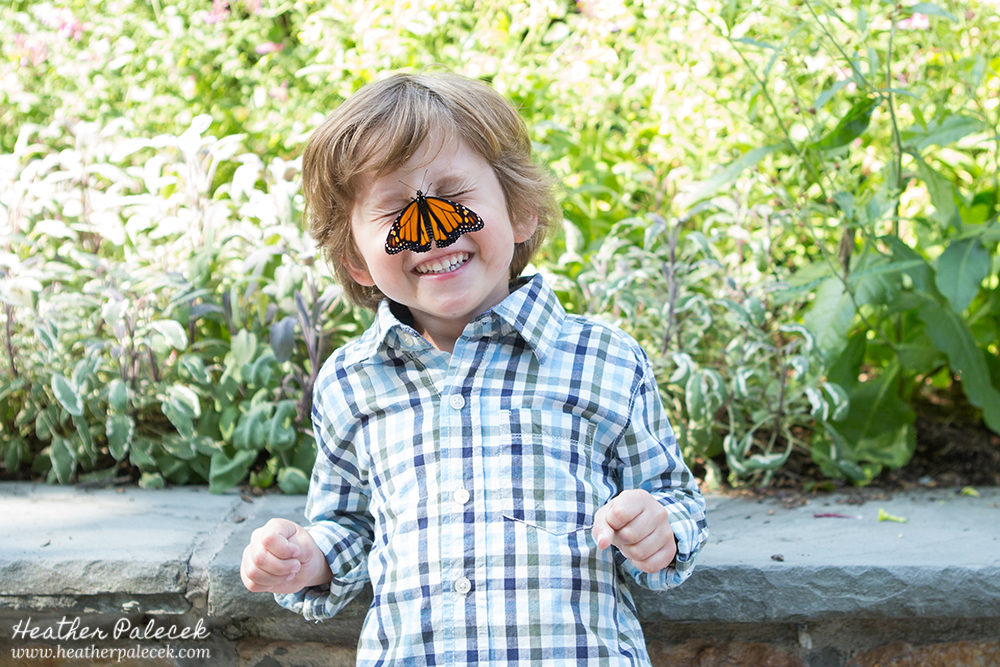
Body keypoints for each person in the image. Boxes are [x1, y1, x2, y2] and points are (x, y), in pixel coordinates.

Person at [240, 71, 708, 665]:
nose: (431, 231)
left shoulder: (604, 360)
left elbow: (674, 496)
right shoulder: (350, 383)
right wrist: (309, 556)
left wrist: (660, 528)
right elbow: (350, 524)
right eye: (392, 213)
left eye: (455, 199)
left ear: (520, 213)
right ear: (356, 258)